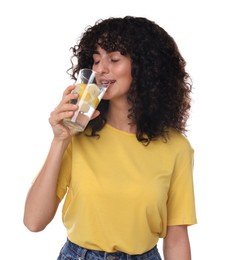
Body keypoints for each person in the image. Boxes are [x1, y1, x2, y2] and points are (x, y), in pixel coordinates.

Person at [23, 16, 197, 260]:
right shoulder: (77, 135)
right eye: (96, 60)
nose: (100, 69)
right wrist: (60, 140)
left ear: (145, 67)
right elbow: (33, 221)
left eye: (114, 59)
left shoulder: (176, 148)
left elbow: (177, 238)